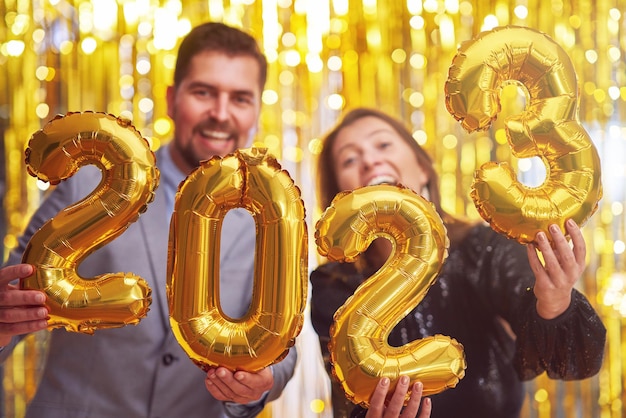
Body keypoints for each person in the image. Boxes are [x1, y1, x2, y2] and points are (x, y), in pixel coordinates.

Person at [0, 22, 295, 418]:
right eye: (203, 92)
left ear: (257, 109)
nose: (220, 114)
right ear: (172, 100)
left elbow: (289, 348)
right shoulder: (90, 183)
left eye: (240, 98)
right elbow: (14, 294)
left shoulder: (273, 218)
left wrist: (263, 383)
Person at [310, 107, 607, 418]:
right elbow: (348, 401)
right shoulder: (334, 285)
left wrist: (555, 300)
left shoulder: (482, 248)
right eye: (349, 160)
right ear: (339, 196)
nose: (370, 161)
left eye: (383, 145)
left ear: (423, 168)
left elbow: (572, 360)